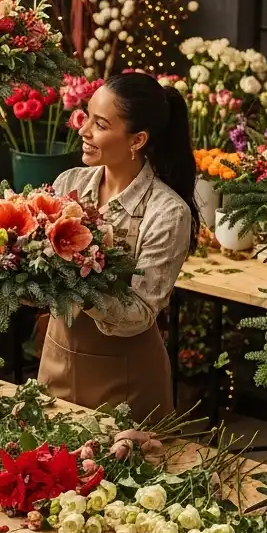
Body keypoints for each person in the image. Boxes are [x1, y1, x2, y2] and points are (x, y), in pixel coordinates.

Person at [37, 72, 198, 419]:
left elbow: (139, 313)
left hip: (127, 380)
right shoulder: (70, 183)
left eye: (100, 124)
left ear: (137, 139)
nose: (83, 131)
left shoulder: (167, 213)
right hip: (57, 358)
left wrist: (76, 281)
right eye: (86, 117)